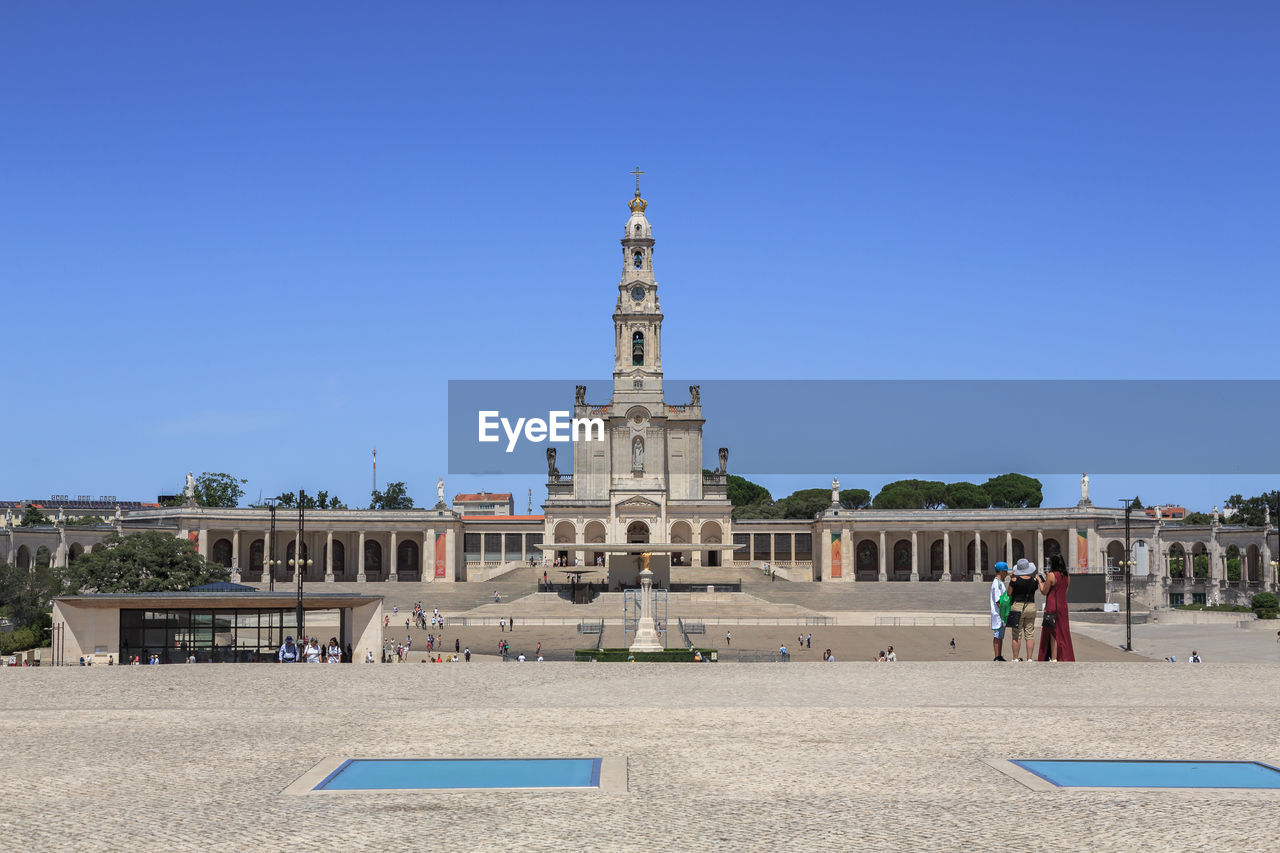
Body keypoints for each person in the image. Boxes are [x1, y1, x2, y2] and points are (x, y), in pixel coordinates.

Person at [1036, 554, 1076, 661]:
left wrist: (1040, 582)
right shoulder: (1067, 576)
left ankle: (1053, 657)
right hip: (1063, 605)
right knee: (1063, 631)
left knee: (1051, 632)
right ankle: (1064, 655)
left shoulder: (1051, 575)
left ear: (1052, 563)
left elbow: (1044, 591)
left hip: (1052, 605)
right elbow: (1064, 591)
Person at [1008, 559, 1039, 662]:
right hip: (1031, 606)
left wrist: (1011, 579)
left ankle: (1015, 658)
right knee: (1030, 633)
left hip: (1017, 607)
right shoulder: (1034, 581)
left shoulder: (1015, 580)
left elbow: (1009, 593)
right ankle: (1029, 658)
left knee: (1016, 634)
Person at [990, 561, 1010, 661]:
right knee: (997, 634)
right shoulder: (996, 583)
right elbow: (998, 600)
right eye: (1006, 571)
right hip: (998, 613)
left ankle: (999, 655)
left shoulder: (1000, 582)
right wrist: (1003, 613)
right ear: (1001, 571)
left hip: (1001, 613)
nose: (1007, 573)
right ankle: (997, 656)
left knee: (1000, 635)